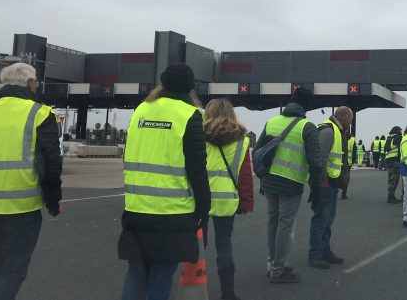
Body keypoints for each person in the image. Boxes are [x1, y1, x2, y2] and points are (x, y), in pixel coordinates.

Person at [0, 63, 63, 300]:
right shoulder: (41, 113)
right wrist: (53, 202)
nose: (37, 86)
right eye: (36, 82)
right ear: (30, 83)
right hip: (23, 206)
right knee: (13, 270)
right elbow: (51, 161)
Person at [118, 63, 211, 300]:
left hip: (136, 207)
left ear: (163, 83)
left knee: (136, 274)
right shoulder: (190, 115)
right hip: (172, 212)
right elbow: (197, 169)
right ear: (191, 87)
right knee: (161, 273)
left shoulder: (141, 110)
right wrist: (203, 208)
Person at [257, 88, 321, 284]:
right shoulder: (307, 127)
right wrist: (316, 187)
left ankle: (272, 264)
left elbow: (259, 151)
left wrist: (262, 178)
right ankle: (278, 269)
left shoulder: (272, 122)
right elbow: (316, 162)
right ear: (306, 107)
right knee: (285, 225)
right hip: (291, 183)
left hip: (269, 181)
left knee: (273, 223)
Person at [203, 98, 254, 300]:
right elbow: (244, 176)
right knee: (224, 244)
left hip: (199, 200)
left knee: (198, 246)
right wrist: (246, 203)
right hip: (227, 201)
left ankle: (194, 288)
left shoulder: (197, 135)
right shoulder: (242, 140)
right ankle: (228, 293)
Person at [308, 106, 353, 269]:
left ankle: (325, 251)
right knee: (321, 218)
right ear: (345, 116)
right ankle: (315, 255)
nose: (351, 122)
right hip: (325, 183)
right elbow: (320, 157)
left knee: (328, 218)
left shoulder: (336, 130)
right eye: (351, 119)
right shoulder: (328, 131)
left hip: (332, 182)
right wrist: (323, 180)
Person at [384, 126, 403, 204]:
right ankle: (391, 197)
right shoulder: (398, 138)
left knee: (391, 179)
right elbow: (400, 149)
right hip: (395, 160)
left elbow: (385, 149)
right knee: (395, 179)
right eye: (400, 130)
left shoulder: (389, 138)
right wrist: (400, 159)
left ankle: (391, 195)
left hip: (388, 160)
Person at [342, 133, 355, 200]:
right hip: (348, 162)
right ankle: (344, 193)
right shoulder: (353, 140)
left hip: (339, 161)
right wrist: (352, 161)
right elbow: (354, 153)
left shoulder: (340, 136)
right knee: (346, 177)